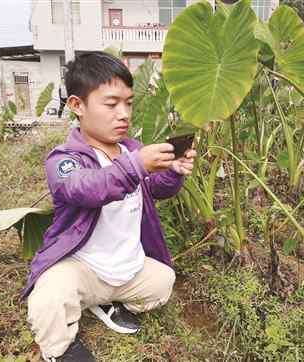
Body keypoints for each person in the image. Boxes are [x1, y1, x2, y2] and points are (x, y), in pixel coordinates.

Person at [21, 52, 196, 361]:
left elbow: (156, 187)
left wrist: (172, 171)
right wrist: (135, 166)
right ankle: (60, 351)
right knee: (47, 298)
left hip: (127, 267)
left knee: (163, 282)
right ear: (77, 105)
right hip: (82, 267)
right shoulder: (64, 159)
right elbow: (82, 189)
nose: (124, 114)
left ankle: (105, 303)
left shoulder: (131, 149)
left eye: (128, 103)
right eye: (111, 104)